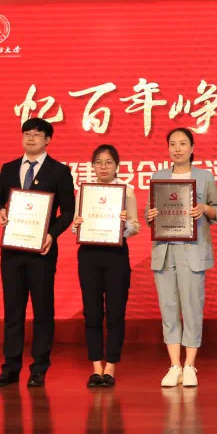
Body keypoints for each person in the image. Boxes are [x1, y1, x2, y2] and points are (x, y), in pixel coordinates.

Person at [0, 117, 75, 388]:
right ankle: (10, 368)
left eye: (37, 134)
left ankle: (39, 367)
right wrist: (0, 210)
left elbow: (68, 211)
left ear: (47, 139)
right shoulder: (9, 168)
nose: (30, 138)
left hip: (42, 251)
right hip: (12, 251)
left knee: (42, 310)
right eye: (26, 133)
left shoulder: (59, 171)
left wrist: (52, 234)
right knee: (13, 311)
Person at [146, 127, 217, 388]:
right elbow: (149, 213)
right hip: (164, 251)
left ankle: (190, 364)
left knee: (192, 307)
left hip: (193, 251)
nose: (177, 148)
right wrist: (150, 216)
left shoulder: (204, 177)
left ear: (192, 148)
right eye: (172, 144)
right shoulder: (158, 177)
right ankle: (174, 365)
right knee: (168, 308)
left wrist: (204, 209)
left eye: (182, 143)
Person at [72, 144, 140, 388]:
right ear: (93, 166)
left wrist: (124, 223)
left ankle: (110, 366)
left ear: (116, 166)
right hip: (89, 255)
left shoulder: (127, 191)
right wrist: (77, 224)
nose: (103, 167)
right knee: (91, 311)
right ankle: (96, 367)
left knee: (115, 312)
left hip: (116, 255)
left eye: (108, 162)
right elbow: (76, 228)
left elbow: (135, 227)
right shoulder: (85, 192)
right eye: (98, 162)